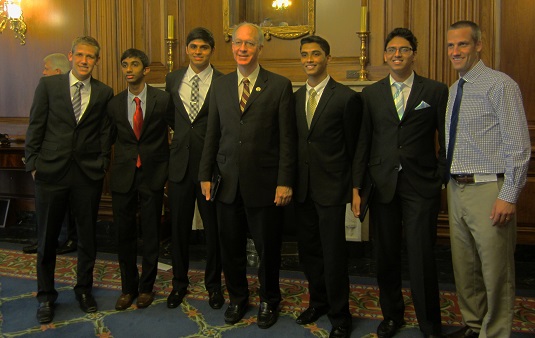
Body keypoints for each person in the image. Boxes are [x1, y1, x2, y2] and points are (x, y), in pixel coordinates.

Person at [198, 22, 296, 329]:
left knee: (268, 248)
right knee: (231, 246)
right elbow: (212, 134)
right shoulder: (220, 85)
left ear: (260, 48)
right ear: (232, 47)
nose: (243, 49)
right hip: (226, 183)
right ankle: (238, 297)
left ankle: (269, 299)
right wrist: (204, 174)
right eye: (238, 43)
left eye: (249, 44)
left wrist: (285, 180)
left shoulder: (279, 85)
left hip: (265, 185)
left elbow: (286, 139)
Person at [352, 28, 448, 338]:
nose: (397, 54)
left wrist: (441, 178)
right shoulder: (371, 94)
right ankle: (392, 315)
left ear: (413, 54)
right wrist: (358, 186)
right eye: (391, 49)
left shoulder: (434, 91)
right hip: (382, 186)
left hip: (421, 186)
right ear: (384, 55)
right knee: (386, 255)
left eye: (404, 49)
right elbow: (363, 143)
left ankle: (429, 323)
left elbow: (445, 139)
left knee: (421, 256)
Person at [445, 21, 530, 338]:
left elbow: (518, 145)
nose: (455, 51)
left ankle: (495, 333)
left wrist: (508, 195)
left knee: (496, 271)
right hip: (457, 189)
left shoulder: (500, 85)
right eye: (451, 45)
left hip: (489, 189)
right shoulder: (454, 90)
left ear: (478, 45)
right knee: (465, 268)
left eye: (462, 44)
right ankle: (474, 324)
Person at [25, 36, 114, 324]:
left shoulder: (104, 92)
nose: (85, 60)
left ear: (96, 61)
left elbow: (104, 130)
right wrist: (33, 164)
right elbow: (36, 123)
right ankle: (46, 296)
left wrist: (102, 163)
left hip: (87, 174)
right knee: (47, 238)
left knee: (87, 237)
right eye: (81, 55)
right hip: (50, 172)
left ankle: (84, 290)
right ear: (71, 56)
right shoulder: (49, 85)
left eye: (91, 57)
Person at [294, 35, 361, 338]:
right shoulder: (295, 98)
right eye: (305, 54)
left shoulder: (346, 97)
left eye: (316, 54)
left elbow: (354, 148)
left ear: (327, 58)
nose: (310, 59)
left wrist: (354, 188)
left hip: (332, 189)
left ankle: (340, 314)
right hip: (302, 189)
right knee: (309, 252)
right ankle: (318, 301)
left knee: (333, 254)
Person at [107, 48, 173, 311]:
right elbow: (108, 138)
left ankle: (146, 288)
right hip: (123, 175)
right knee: (124, 234)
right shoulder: (113, 103)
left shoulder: (163, 100)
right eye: (125, 65)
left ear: (145, 70)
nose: (129, 69)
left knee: (151, 233)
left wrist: (169, 169)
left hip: (152, 175)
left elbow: (177, 132)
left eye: (134, 64)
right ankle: (127, 288)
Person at [164, 27, 224, 310]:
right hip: (178, 167)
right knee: (178, 229)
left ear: (211, 51)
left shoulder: (224, 81)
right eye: (193, 47)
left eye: (204, 47)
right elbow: (172, 117)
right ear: (186, 49)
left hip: (210, 168)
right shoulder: (172, 78)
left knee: (214, 231)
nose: (198, 52)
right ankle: (179, 284)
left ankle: (214, 286)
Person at [23, 53, 78, 256]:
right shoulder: (45, 89)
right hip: (48, 161)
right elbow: (36, 125)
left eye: (45, 68)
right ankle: (46, 241)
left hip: (72, 162)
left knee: (67, 207)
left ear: (57, 72)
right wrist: (33, 161)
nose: (43, 72)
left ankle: (65, 239)